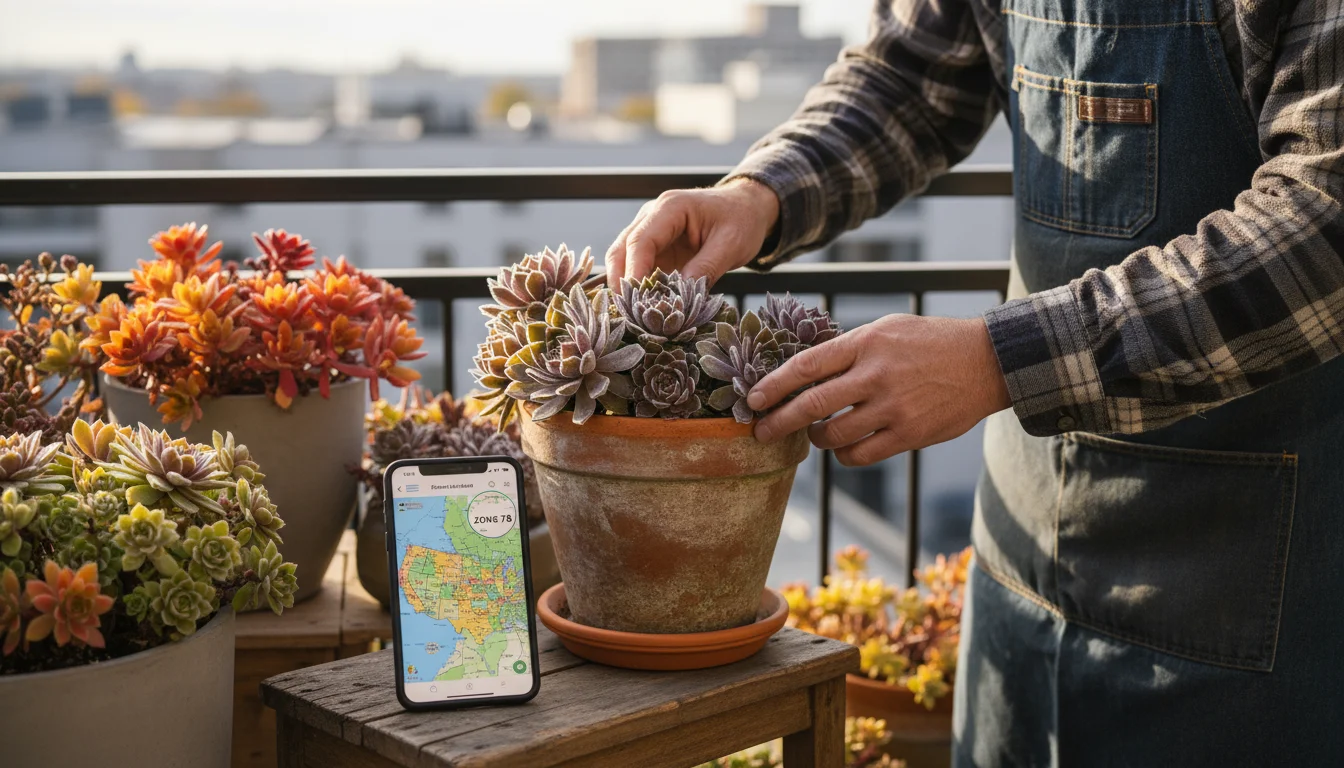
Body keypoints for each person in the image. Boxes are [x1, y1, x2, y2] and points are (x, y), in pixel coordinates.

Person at [606, 0, 1344, 764]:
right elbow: (914, 75)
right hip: (1022, 544)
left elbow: (1325, 221)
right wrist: (762, 192)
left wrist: (996, 361)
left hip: (1256, 578)